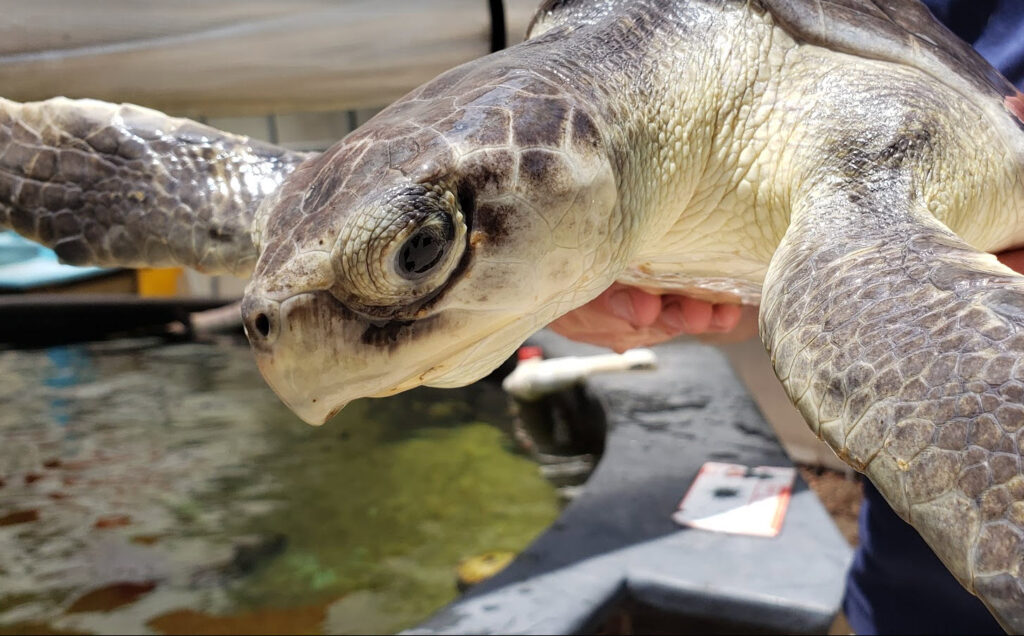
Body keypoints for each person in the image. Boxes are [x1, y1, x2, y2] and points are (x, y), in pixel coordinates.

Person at [548, 2, 1024, 632]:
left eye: (420, 255)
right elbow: (792, 257)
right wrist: (685, 278)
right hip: (902, 592)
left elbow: (861, 259)